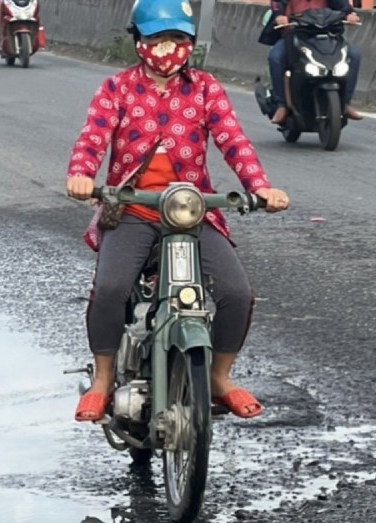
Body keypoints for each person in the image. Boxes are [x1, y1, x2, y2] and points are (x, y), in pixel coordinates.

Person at [66, 0, 290, 424]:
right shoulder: (117, 88)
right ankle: (102, 380)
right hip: (131, 209)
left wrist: (259, 188)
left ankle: (219, 378)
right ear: (138, 41)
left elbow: (234, 142)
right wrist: (81, 175)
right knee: (111, 287)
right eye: (156, 38)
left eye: (177, 39)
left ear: (190, 44)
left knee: (237, 293)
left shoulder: (206, 88)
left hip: (192, 210)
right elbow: (92, 139)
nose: (166, 48)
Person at [258, 0, 362, 125]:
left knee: (354, 56)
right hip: (295, 34)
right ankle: (282, 105)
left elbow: (342, 5)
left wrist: (350, 14)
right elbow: (277, 4)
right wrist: (280, 17)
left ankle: (346, 103)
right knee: (275, 58)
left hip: (327, 34)